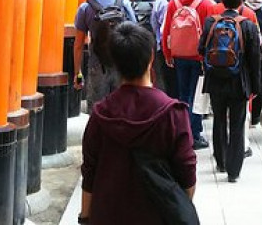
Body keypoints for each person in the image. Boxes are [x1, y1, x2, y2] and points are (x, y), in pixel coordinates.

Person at [79, 22, 197, 225]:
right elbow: (187, 175)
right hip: (157, 215)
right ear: (151, 57)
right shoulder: (172, 113)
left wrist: (85, 216)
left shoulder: (100, 115)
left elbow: (89, 173)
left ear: (114, 61)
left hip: (108, 214)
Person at [197, 0, 261, 182]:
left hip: (216, 80)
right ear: (241, 1)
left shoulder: (211, 22)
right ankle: (234, 170)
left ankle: (221, 161)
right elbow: (254, 59)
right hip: (239, 82)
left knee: (219, 120)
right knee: (237, 123)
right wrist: (255, 86)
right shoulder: (247, 25)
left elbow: (201, 49)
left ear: (223, 1)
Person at [161, 0, 218, 149]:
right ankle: (194, 133)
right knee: (197, 94)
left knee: (183, 93)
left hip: (178, 54)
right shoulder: (208, 4)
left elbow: (166, 30)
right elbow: (212, 33)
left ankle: (182, 130)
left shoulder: (173, 2)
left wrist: (167, 53)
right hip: (199, 57)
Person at [73, 0, 137, 106]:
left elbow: (78, 44)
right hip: (121, 62)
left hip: (97, 61)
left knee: (97, 106)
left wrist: (77, 72)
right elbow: (134, 32)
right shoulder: (123, 2)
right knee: (121, 105)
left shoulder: (85, 8)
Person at [152, 0, 180, 98]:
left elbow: (154, 24)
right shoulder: (182, 0)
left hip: (163, 45)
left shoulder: (159, 2)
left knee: (165, 80)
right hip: (182, 46)